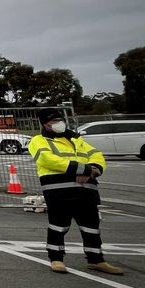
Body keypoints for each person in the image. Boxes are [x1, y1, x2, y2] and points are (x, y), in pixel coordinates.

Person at [28, 108, 124, 275]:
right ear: (44, 124)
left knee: (91, 227)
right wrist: (83, 169)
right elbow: (48, 160)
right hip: (58, 191)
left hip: (86, 190)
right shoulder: (38, 140)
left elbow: (97, 155)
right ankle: (56, 258)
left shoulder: (77, 139)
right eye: (52, 121)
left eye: (59, 120)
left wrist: (93, 170)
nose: (57, 124)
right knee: (58, 226)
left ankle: (96, 260)